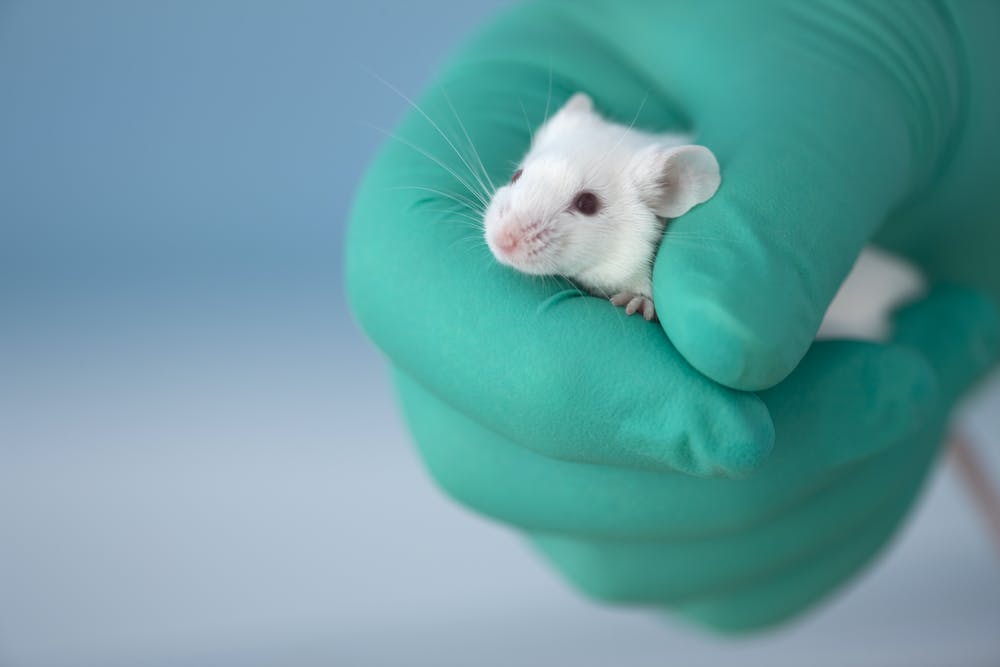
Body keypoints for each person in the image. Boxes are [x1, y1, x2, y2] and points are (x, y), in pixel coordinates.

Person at [345, 0, 1000, 631]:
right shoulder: (571, 154)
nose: (513, 227)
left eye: (585, 204)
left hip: (865, 313)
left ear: (671, 189)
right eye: (517, 180)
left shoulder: (666, 211)